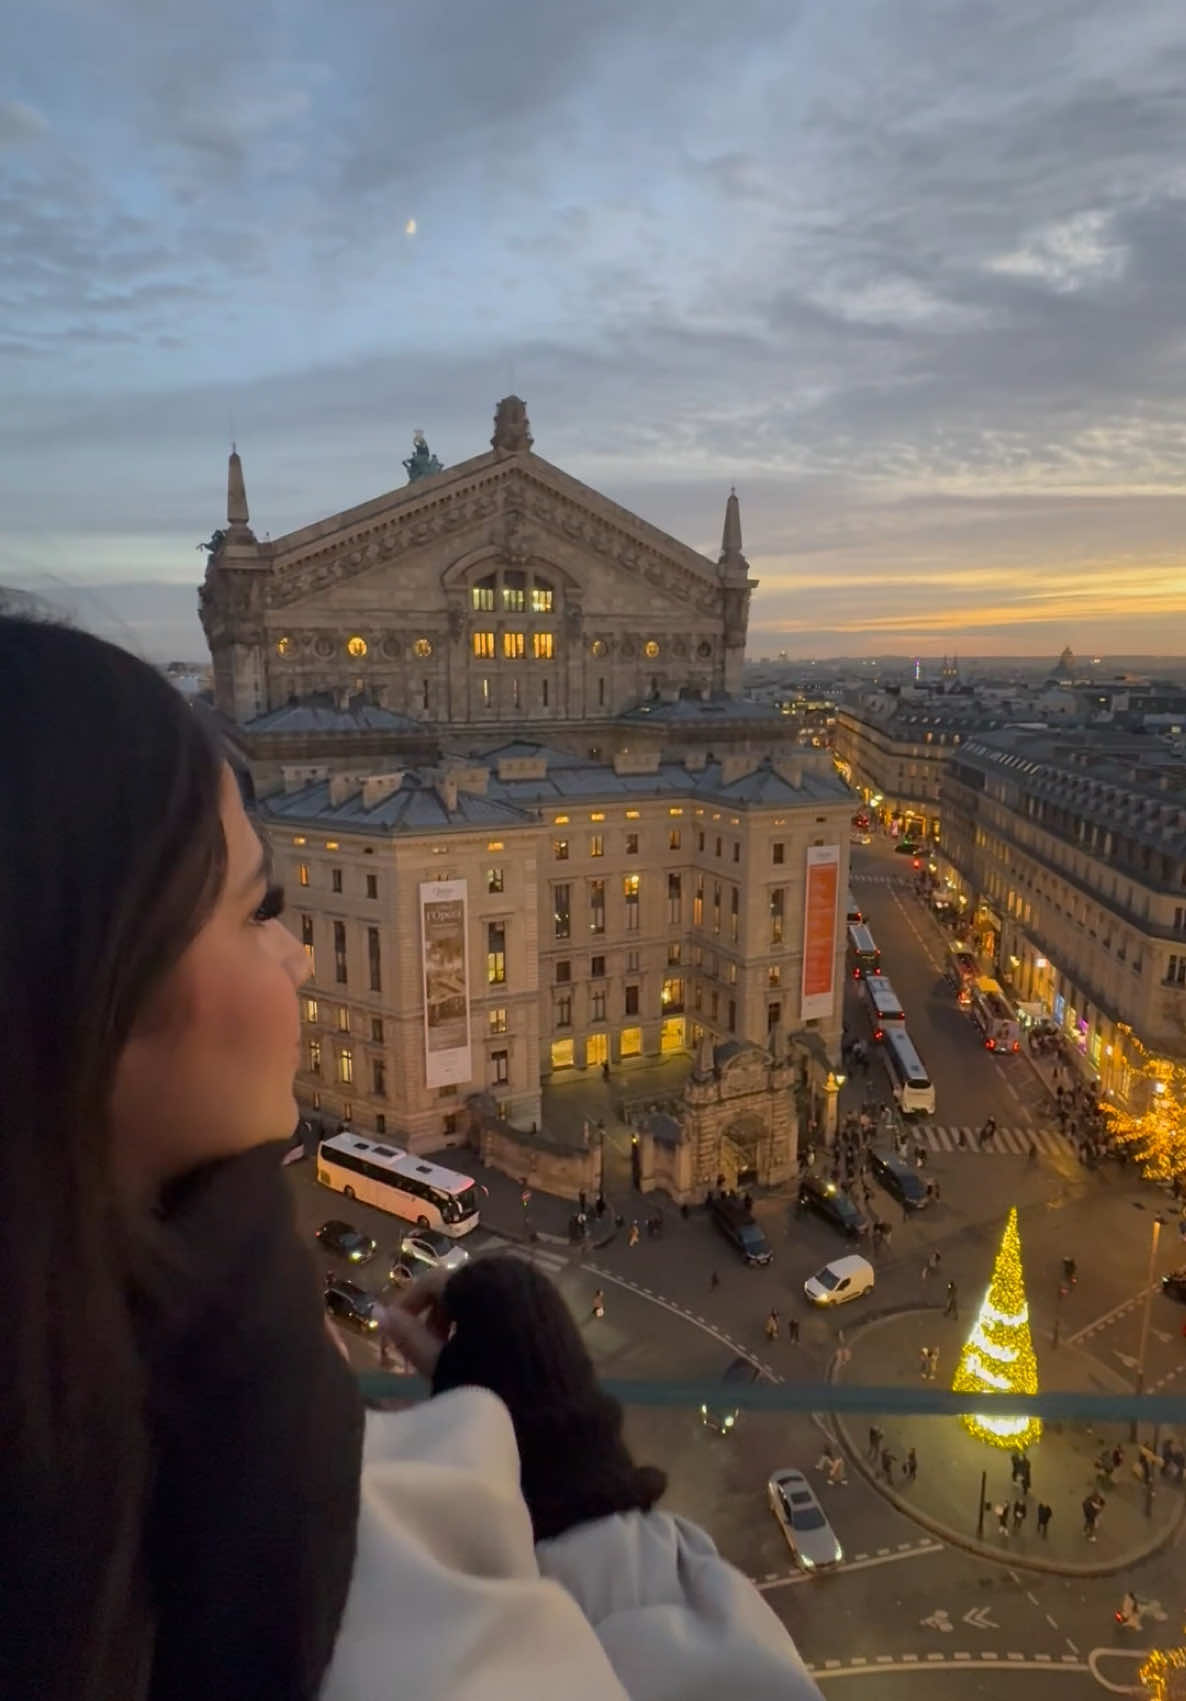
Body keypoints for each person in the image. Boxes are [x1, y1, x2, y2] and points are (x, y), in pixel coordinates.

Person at [0, 616, 825, 1701]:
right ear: (99, 992)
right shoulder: (259, 1510)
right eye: (260, 909)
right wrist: (581, 1487)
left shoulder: (96, 1428)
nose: (298, 952)